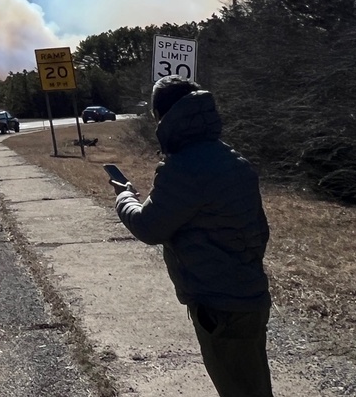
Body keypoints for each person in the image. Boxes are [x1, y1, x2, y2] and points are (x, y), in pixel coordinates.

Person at [113, 76, 272, 397]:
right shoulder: (234, 159)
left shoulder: (182, 168)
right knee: (253, 385)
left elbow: (148, 226)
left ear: (162, 116)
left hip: (219, 307)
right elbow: (261, 230)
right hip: (250, 296)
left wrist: (123, 198)